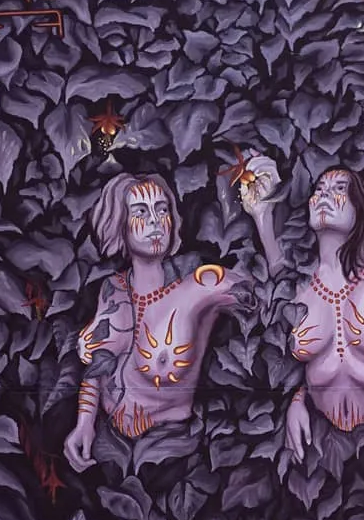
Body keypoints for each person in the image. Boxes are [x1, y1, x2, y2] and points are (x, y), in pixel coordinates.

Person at [241, 0, 364, 461]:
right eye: (319, 190)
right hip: (320, 454)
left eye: (339, 189)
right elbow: (282, 313)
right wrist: (262, 216)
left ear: (362, 207)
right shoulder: (300, 285)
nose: (324, 195)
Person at [63, 172, 247, 471]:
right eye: (141, 212)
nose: (155, 221)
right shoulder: (112, 289)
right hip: (110, 449)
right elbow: (97, 366)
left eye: (162, 210)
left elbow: (271, 298)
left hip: (172, 453)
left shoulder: (201, 286)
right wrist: (84, 422)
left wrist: (264, 219)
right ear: (119, 223)